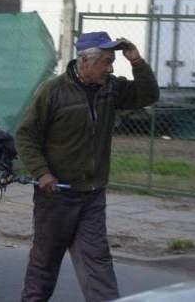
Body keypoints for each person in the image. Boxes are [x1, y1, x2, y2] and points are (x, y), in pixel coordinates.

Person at [16, 31, 159, 302]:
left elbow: (148, 94)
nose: (111, 67)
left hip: (92, 194)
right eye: (106, 61)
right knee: (44, 264)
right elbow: (26, 135)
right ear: (85, 61)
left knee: (97, 263)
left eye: (112, 61)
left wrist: (137, 61)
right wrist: (42, 173)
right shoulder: (53, 91)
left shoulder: (111, 89)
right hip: (56, 194)